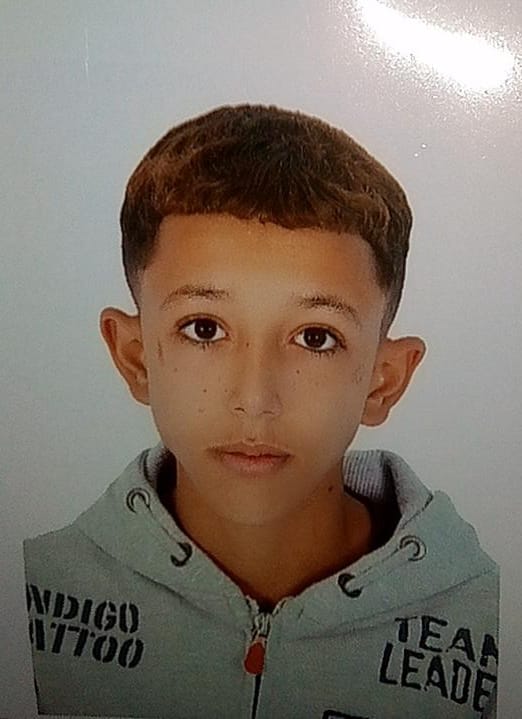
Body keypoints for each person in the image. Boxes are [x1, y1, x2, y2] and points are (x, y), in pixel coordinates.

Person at [23, 103, 499, 719]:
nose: (254, 399)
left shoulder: (493, 625)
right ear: (136, 357)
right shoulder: (30, 601)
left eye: (315, 338)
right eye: (204, 328)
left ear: (383, 381)